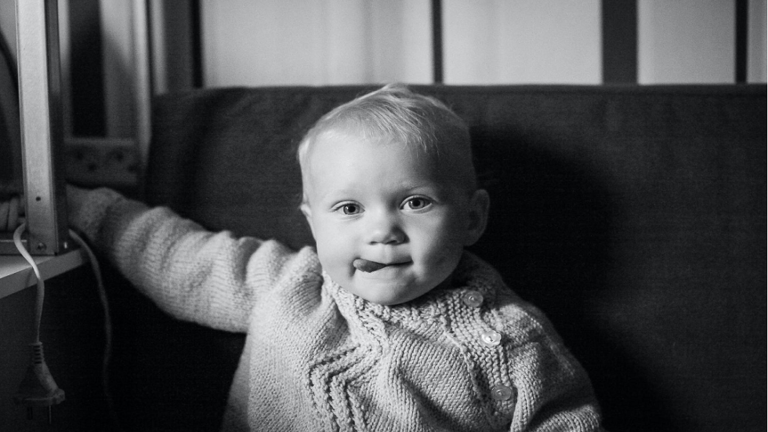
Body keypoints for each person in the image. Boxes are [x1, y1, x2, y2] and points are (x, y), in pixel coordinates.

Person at [67, 84, 603, 431]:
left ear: (471, 218)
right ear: (312, 222)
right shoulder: (285, 283)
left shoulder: (509, 337)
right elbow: (175, 255)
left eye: (415, 202)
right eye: (349, 208)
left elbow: (566, 421)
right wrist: (69, 206)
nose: (382, 230)